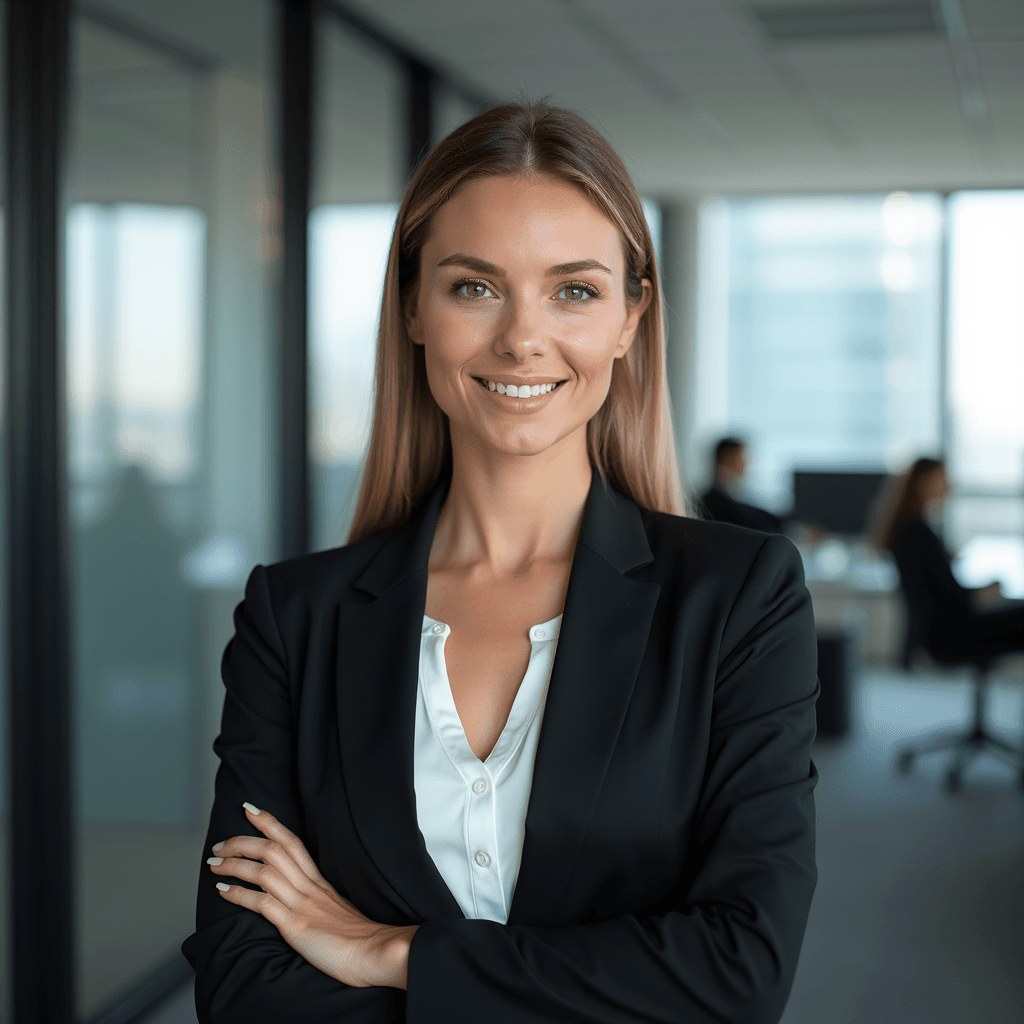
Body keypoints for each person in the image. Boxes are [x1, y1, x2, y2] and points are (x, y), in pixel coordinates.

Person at [182, 102, 819, 1023]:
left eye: (574, 290)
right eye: (475, 287)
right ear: (413, 308)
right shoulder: (295, 619)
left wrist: (387, 952)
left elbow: (738, 970)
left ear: (629, 319)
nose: (523, 338)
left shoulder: (737, 599)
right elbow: (244, 985)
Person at [876, 457, 1024, 663]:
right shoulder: (918, 533)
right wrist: (981, 591)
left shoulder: (909, 529)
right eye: (942, 479)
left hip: (941, 631)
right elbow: (950, 597)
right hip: (949, 637)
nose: (948, 486)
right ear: (923, 483)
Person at [699, 436, 784, 534]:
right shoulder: (715, 499)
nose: (746, 462)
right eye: (741, 456)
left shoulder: (733, 493)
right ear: (727, 458)